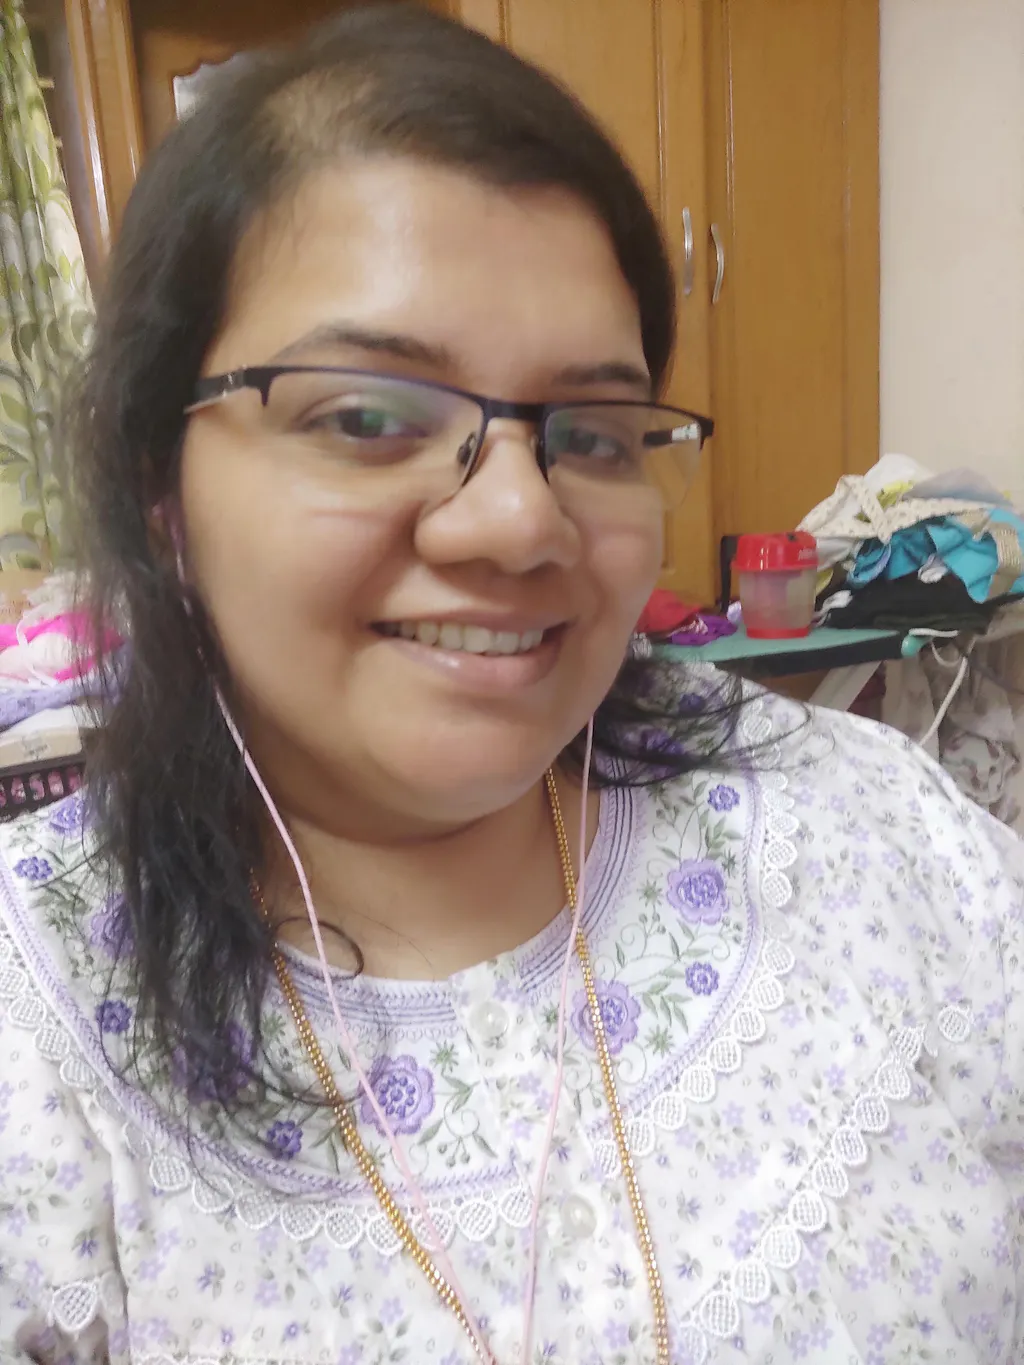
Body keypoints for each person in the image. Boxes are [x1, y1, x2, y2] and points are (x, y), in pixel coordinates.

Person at [0, 7, 1021, 1363]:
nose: (520, 522)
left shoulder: (876, 830)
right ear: (161, 490)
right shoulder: (38, 1030)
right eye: (369, 417)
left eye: (591, 435)